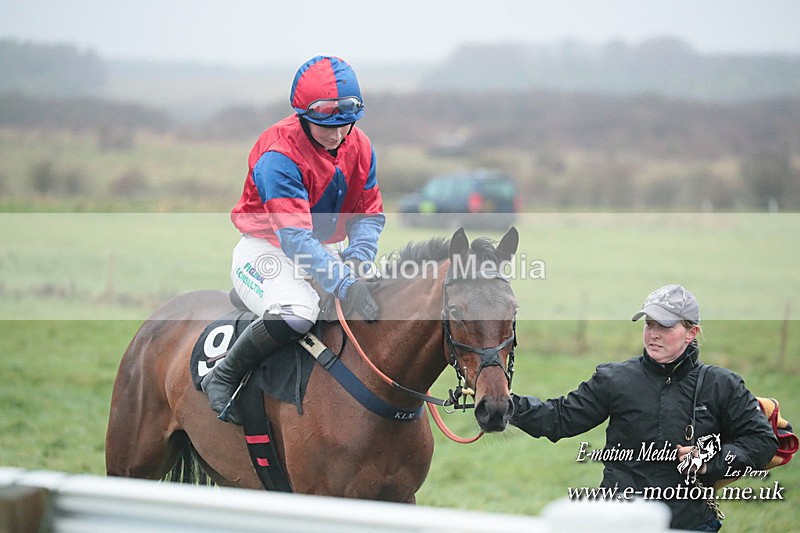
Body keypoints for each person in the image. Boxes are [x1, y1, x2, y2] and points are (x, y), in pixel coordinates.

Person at [201, 55, 385, 425]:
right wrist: (344, 282)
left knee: (381, 296)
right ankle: (223, 376)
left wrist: (357, 259)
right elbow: (296, 239)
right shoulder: (278, 155)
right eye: (325, 126)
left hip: (323, 250)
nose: (336, 136)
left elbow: (368, 213)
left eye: (345, 125)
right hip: (267, 249)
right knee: (301, 312)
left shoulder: (361, 146)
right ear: (303, 116)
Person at [510, 284, 778, 531]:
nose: (653, 334)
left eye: (665, 326)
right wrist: (504, 405)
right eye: (649, 324)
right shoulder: (615, 379)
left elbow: (762, 442)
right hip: (620, 521)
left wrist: (711, 461)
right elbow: (559, 419)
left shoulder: (722, 385)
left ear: (691, 333)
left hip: (689, 524)